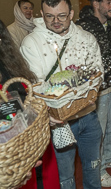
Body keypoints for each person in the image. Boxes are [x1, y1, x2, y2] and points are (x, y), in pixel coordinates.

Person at [21, 0, 104, 189]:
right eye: (49, 16)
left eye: (62, 16)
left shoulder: (85, 37)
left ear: (71, 13)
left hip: (89, 116)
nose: (56, 21)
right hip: (58, 123)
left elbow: (97, 72)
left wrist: (86, 90)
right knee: (65, 178)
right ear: (41, 14)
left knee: (93, 168)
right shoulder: (31, 43)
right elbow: (34, 85)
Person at [75, 0, 111, 187]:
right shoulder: (83, 27)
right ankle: (99, 169)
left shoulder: (109, 23)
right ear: (96, 4)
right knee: (99, 130)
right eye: (108, 2)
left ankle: (109, 157)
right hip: (96, 90)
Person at [0, 20, 60, 189]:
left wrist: (41, 117)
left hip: (28, 142)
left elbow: (24, 101)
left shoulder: (9, 65)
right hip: (7, 156)